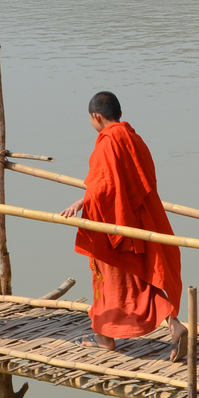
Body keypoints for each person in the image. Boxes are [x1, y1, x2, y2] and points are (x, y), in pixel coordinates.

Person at [60, 92, 185, 355]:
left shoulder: (107, 142)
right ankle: (173, 325)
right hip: (139, 220)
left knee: (110, 281)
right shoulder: (133, 138)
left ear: (96, 116)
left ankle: (104, 338)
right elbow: (131, 183)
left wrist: (83, 202)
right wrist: (84, 198)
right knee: (138, 280)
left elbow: (104, 187)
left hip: (116, 223)